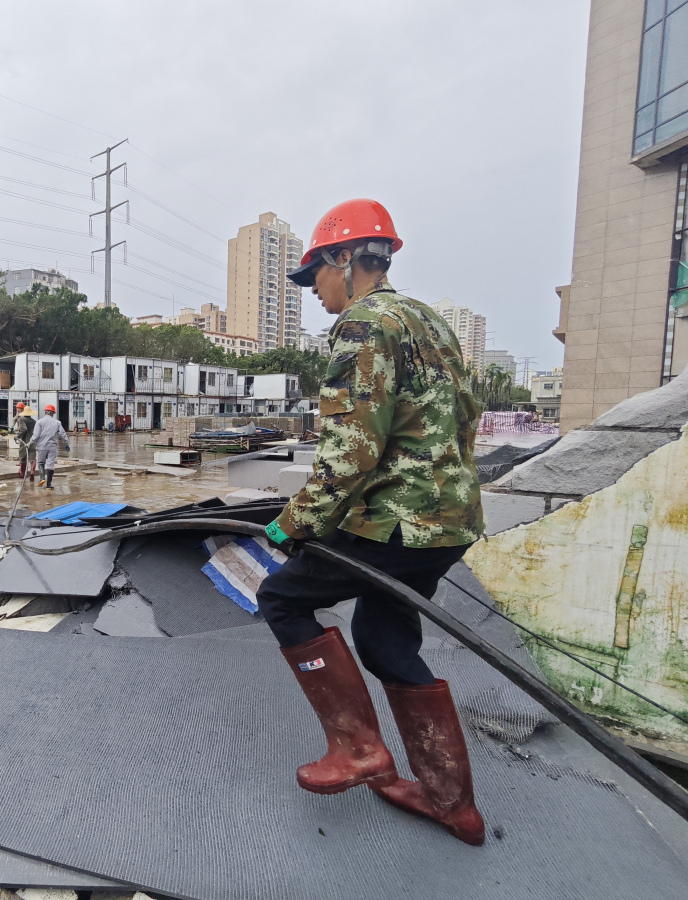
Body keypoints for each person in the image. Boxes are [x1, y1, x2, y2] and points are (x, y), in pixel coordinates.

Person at [255, 199, 486, 846]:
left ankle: (356, 747)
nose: (317, 294)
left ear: (343, 260)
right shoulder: (429, 323)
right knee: (386, 642)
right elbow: (459, 420)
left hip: (393, 521)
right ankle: (452, 803)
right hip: (448, 519)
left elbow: (351, 451)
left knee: (281, 597)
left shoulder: (362, 325)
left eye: (318, 279)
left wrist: (293, 524)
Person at [31, 404, 70, 489]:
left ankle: (42, 478)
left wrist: (31, 442)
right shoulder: (57, 422)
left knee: (41, 462)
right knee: (51, 464)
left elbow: (36, 435)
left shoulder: (39, 422)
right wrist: (66, 443)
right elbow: (62, 434)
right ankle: (49, 484)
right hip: (52, 446)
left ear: (45, 412)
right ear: (53, 413)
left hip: (42, 446)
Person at [13, 402, 37, 482]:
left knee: (23, 457)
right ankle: (32, 473)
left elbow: (24, 429)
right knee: (32, 458)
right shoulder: (34, 421)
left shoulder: (21, 419)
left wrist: (18, 436)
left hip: (24, 440)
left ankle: (22, 473)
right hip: (32, 441)